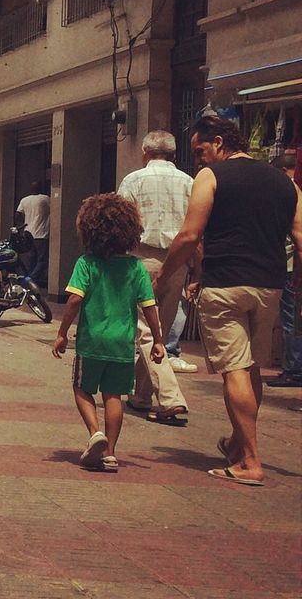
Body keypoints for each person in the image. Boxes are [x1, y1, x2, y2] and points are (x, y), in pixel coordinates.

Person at [154, 114, 302, 486]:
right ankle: (238, 444)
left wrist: (165, 274)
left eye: (200, 150)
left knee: (234, 368)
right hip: (270, 287)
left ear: (219, 143)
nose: (198, 159)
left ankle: (250, 461)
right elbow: (301, 237)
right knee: (250, 368)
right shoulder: (287, 185)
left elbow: (189, 235)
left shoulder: (212, 177)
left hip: (224, 287)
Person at [52, 193, 165, 472]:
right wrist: (159, 340)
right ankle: (111, 452)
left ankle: (95, 433)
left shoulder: (86, 264)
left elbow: (75, 300)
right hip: (123, 344)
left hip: (92, 343)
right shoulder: (136, 267)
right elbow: (149, 306)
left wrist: (62, 332)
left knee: (81, 387)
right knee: (114, 395)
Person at [117, 130, 191, 425]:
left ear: (145, 153)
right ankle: (141, 396)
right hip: (178, 262)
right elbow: (197, 230)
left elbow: (121, 224)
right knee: (158, 326)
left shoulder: (133, 180)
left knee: (147, 331)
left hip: (140, 260)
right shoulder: (190, 182)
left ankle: (171, 399)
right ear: (173, 155)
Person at [265, 151, 302, 388]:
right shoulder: (295, 192)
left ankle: (295, 369)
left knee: (291, 320)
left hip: (289, 268)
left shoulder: (287, 192)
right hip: (289, 267)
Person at [15, 177, 51, 287]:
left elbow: (18, 214)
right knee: (42, 260)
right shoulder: (45, 199)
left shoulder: (24, 200)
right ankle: (30, 280)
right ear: (41, 188)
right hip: (41, 233)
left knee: (31, 259)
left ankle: (30, 281)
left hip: (28, 233)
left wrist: (21, 226)